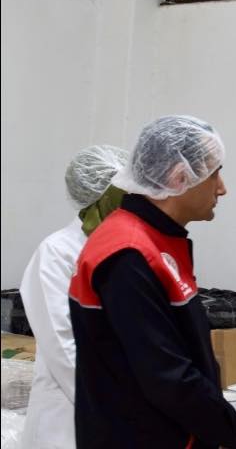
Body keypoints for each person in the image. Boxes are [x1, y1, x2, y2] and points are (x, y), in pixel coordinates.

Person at [68, 115, 236, 448]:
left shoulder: (156, 241)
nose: (222, 188)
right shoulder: (129, 254)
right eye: (215, 174)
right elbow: (167, 375)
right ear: (179, 176)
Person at [19, 144, 128, 448]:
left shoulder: (125, 250)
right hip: (66, 421)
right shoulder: (57, 253)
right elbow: (62, 346)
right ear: (100, 197)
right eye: (123, 194)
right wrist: (112, 407)